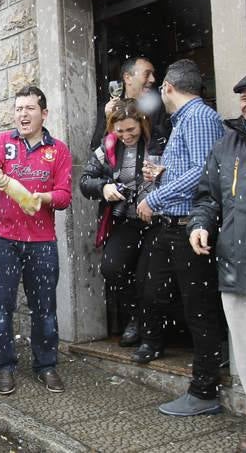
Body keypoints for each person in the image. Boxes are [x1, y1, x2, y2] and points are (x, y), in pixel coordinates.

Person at [133, 59, 225, 417]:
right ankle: (162, 345)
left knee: (200, 309)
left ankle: (205, 390)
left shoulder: (199, 117)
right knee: (153, 288)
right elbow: (192, 167)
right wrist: (163, 174)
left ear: (168, 88)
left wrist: (153, 197)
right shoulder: (186, 121)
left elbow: (205, 171)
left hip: (191, 226)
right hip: (173, 226)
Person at [0, 86, 73, 396]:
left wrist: (41, 197)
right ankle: (4, 367)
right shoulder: (2, 142)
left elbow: (64, 196)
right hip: (2, 238)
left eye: (30, 108)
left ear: (43, 113)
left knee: (44, 308)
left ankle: (46, 365)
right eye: (19, 108)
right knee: (1, 307)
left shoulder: (57, 150)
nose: (23, 114)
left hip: (42, 241)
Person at [189, 67, 246, 450]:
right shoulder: (225, 146)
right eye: (245, 99)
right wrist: (199, 225)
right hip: (234, 265)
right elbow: (207, 197)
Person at [79, 100, 159, 347]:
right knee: (112, 268)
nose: (125, 136)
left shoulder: (159, 143)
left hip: (158, 222)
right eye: (120, 131)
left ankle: (152, 332)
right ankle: (135, 317)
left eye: (131, 130)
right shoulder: (108, 146)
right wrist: (105, 187)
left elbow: (177, 175)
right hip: (126, 220)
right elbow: (85, 181)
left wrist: (158, 185)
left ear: (142, 124)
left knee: (152, 279)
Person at [91, 56, 170, 152]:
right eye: (147, 74)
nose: (152, 79)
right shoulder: (109, 107)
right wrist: (107, 118)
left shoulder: (160, 105)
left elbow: (165, 142)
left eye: (152, 74)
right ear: (127, 78)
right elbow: (95, 146)